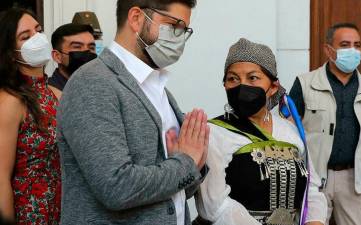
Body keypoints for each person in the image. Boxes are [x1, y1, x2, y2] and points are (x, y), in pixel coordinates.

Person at [56, 0, 209, 224]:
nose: (178, 38)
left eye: (184, 30)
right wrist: (186, 163)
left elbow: (173, 192)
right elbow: (116, 187)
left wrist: (196, 162)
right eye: (173, 25)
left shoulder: (157, 87)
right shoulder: (93, 83)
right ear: (137, 18)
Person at [195, 38, 327, 225]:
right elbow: (214, 206)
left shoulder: (290, 131)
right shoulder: (214, 132)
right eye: (233, 78)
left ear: (273, 87)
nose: (242, 85)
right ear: (224, 84)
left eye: (253, 78)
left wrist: (315, 221)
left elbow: (311, 190)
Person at [289, 23, 361, 225]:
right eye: (345, 45)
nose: (353, 51)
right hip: (314, 179)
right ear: (329, 49)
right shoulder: (305, 84)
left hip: (355, 181)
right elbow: (287, 134)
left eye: (357, 45)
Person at [0, 8, 61, 224]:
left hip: (61, 211)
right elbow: (1, 177)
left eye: (39, 30)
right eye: (25, 37)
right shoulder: (10, 100)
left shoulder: (55, 94)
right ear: (11, 52)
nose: (37, 39)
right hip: (29, 214)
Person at [49, 23, 97, 99]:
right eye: (77, 47)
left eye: (91, 47)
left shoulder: (101, 86)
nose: (87, 51)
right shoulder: (48, 94)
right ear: (57, 56)